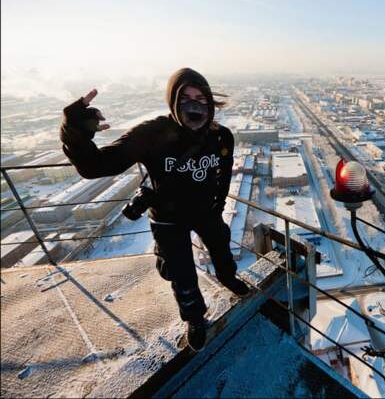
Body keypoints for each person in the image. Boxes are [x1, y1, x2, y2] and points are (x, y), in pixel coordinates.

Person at [60, 67, 249, 352]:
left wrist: (218, 205)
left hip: (206, 211)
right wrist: (75, 129)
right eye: (184, 97)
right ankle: (195, 318)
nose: (194, 104)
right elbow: (95, 166)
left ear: (210, 100)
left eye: (200, 97)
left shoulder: (221, 136)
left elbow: (223, 176)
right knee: (182, 273)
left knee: (221, 248)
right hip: (168, 217)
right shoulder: (151, 134)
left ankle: (228, 278)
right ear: (172, 101)